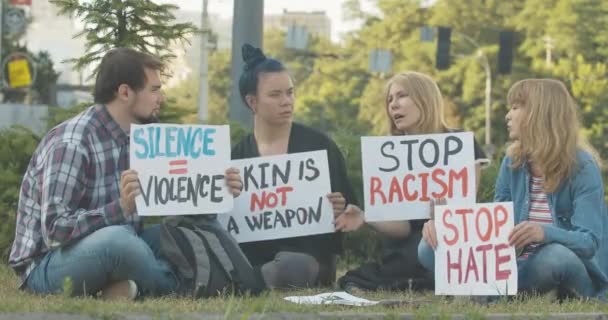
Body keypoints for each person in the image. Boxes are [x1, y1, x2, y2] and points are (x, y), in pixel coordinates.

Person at [8, 48, 243, 300]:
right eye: (154, 89)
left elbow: (181, 198)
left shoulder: (147, 138)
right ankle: (176, 288)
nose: (161, 98)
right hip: (48, 264)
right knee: (118, 241)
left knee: (185, 231)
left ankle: (131, 287)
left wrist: (218, 187)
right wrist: (120, 208)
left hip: (127, 241)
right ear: (125, 92)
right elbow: (55, 231)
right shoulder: (73, 142)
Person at [418, 78, 608, 300]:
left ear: (540, 113)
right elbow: (495, 226)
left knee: (555, 256)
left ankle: (487, 294)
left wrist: (544, 233)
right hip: (514, 265)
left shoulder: (582, 166)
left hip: (566, 267)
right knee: (427, 247)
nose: (507, 116)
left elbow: (590, 242)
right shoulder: (512, 162)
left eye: (516, 107)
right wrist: (448, 223)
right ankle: (504, 291)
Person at [337, 71, 488, 292]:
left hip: (450, 238)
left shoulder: (460, 144)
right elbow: (402, 229)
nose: (393, 105)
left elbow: (467, 208)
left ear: (425, 98)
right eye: (390, 100)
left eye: (402, 96)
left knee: (428, 248)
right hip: (408, 247)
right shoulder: (388, 155)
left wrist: (444, 217)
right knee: (408, 254)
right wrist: (365, 217)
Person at [231, 44, 360, 288]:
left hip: (309, 261)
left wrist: (341, 208)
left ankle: (240, 284)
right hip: (255, 260)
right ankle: (249, 279)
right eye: (275, 95)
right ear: (252, 102)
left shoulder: (319, 146)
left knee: (295, 265)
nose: (286, 101)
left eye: (290, 92)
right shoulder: (237, 157)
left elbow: (349, 211)